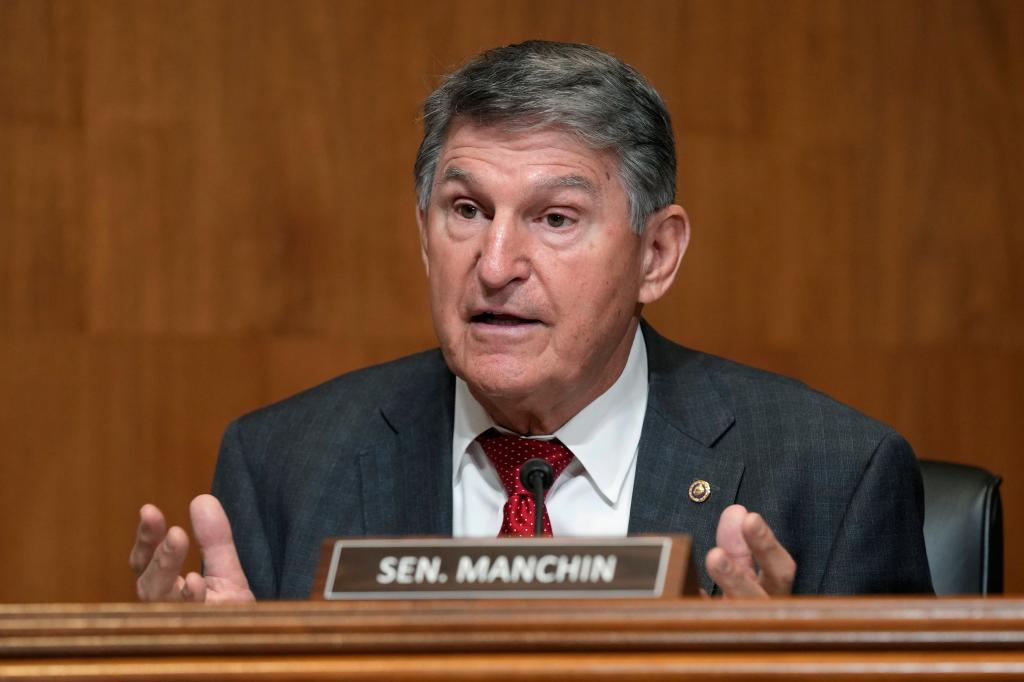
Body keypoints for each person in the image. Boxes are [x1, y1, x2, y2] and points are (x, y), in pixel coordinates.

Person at [130, 40, 933, 602]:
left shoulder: (833, 479)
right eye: (467, 209)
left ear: (656, 253)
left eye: (554, 218)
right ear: (422, 234)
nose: (495, 263)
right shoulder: (282, 468)